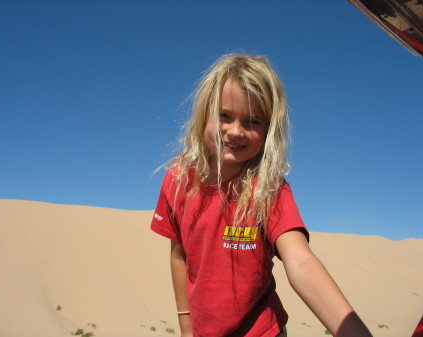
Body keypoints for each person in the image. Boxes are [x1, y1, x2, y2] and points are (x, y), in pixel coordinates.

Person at [150, 53, 372, 337]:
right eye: (224, 116)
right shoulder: (177, 181)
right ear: (204, 113)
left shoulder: (269, 189)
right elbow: (178, 256)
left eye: (252, 122)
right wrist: (185, 325)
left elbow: (301, 261)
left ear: (269, 130)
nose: (235, 131)